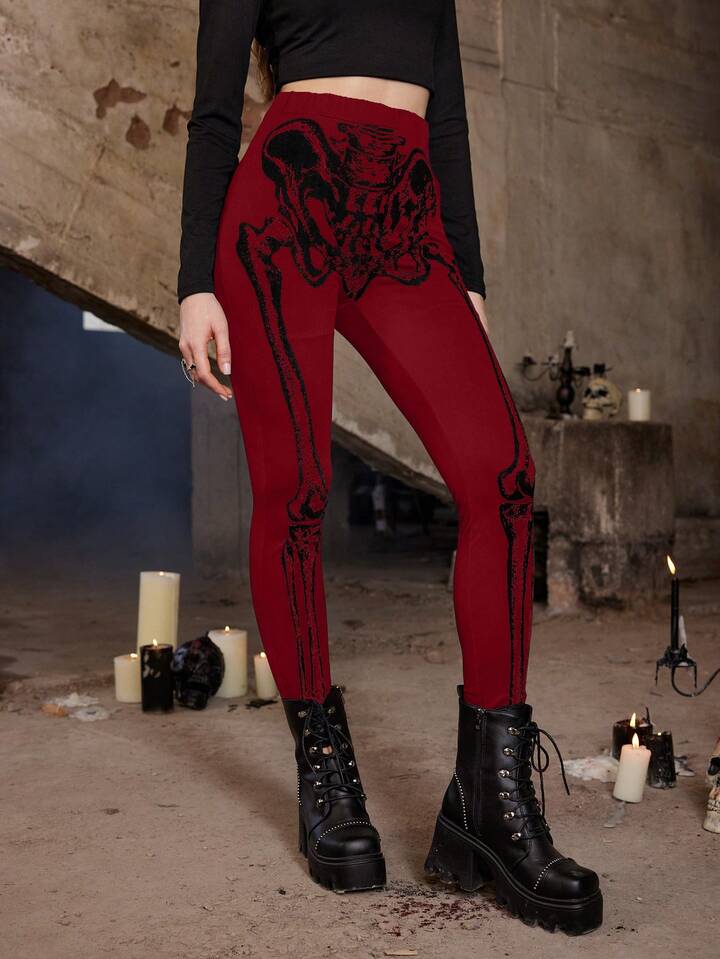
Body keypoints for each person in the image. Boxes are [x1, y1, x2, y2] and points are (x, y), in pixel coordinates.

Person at [177, 0, 602, 934]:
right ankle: (326, 777)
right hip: (283, 206)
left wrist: (469, 273)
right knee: (295, 489)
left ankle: (489, 802)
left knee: (502, 475)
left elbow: (446, 113)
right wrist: (194, 283)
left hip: (404, 216)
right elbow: (212, 113)